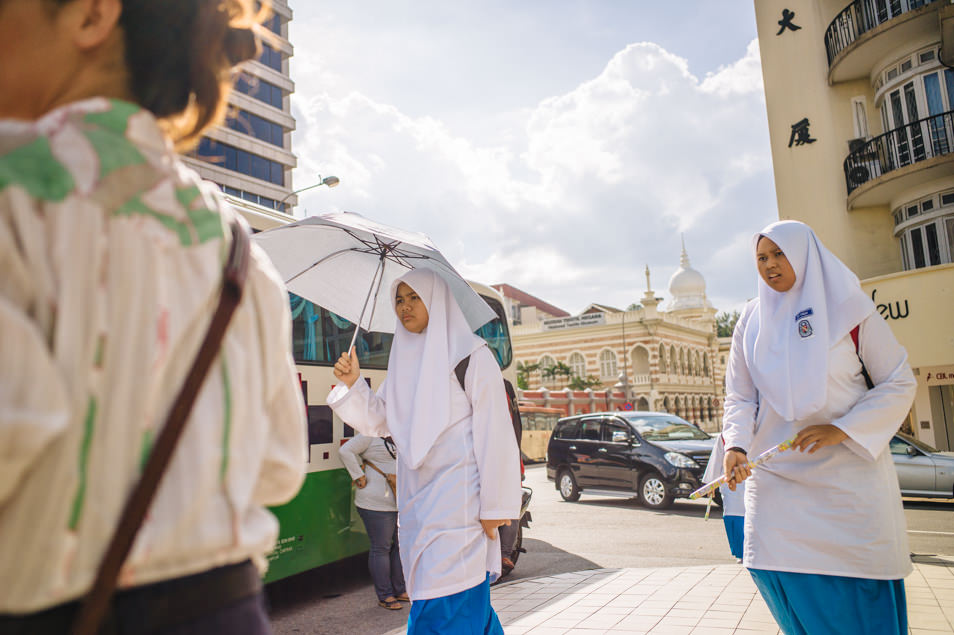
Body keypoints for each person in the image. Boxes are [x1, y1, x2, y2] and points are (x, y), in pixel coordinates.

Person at [0, 1, 307, 633]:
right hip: (228, 612)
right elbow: (278, 466)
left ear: (91, 14)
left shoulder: (14, 188)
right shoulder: (239, 248)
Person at [721, 220, 916, 635]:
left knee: (859, 597)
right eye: (761, 258)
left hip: (848, 483)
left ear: (805, 255)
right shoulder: (750, 321)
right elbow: (740, 396)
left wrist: (842, 428)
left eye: (779, 255)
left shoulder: (849, 308)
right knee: (781, 579)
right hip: (776, 483)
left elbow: (899, 380)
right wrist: (735, 445)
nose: (770, 266)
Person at [330, 268, 520, 635]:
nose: (404, 307)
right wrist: (354, 384)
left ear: (436, 299)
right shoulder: (403, 362)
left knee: (444, 607)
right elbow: (382, 421)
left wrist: (494, 508)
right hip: (418, 504)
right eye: (398, 299)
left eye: (414, 297)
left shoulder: (473, 358)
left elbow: (496, 435)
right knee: (453, 604)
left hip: (461, 505)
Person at [338, 434, 408, 610]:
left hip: (400, 501)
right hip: (375, 503)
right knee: (381, 547)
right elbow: (345, 450)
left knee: (401, 545)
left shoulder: (402, 428)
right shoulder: (370, 433)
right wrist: (358, 475)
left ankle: (400, 589)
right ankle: (385, 595)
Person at [701, 435, 745, 562]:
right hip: (732, 484)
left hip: (755, 483)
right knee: (735, 516)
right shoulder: (726, 435)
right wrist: (711, 485)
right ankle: (740, 552)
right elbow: (717, 459)